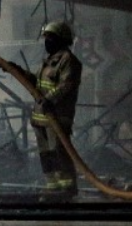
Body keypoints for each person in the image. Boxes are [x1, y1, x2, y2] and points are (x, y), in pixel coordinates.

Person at [10, 21, 83, 197]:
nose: (47, 41)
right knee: (46, 154)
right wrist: (17, 70)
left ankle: (67, 187)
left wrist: (48, 99)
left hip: (57, 116)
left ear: (61, 39)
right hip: (41, 117)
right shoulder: (50, 61)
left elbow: (66, 85)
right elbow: (36, 82)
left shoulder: (68, 61)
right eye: (46, 38)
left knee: (59, 152)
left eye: (50, 37)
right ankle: (53, 186)